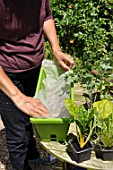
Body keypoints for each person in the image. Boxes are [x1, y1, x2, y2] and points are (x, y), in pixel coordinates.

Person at [0, 0, 74, 170]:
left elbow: (46, 16)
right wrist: (17, 96)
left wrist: (56, 49)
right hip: (7, 74)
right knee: (17, 134)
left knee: (30, 118)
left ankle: (33, 155)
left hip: (35, 68)